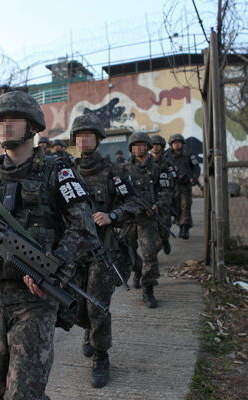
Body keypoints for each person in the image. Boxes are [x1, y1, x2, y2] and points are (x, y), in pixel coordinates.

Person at [0, 90, 98, 399]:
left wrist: (56, 263)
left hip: (34, 300)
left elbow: (83, 229)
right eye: (0, 123)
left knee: (24, 394)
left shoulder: (58, 172)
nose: (6, 128)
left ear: (33, 127)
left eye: (14, 121)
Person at [71, 114, 140, 388]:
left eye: (89, 135)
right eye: (80, 135)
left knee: (98, 304)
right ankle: (87, 330)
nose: (84, 140)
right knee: (76, 304)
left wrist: (112, 214)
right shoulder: (66, 171)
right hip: (73, 250)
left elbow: (134, 202)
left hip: (102, 250)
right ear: (74, 140)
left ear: (98, 139)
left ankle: (101, 355)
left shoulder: (113, 171)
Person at [118, 132, 171, 308]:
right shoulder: (123, 169)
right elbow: (116, 193)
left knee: (150, 254)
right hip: (128, 218)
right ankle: (137, 270)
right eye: (135, 145)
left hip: (147, 219)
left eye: (142, 145)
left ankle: (148, 289)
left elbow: (165, 191)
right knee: (128, 253)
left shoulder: (158, 168)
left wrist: (157, 205)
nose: (138, 148)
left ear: (148, 147)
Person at [166, 134, 200, 239]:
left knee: (186, 206)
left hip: (185, 185)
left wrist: (194, 177)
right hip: (172, 186)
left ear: (182, 144)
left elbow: (196, 167)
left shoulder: (189, 155)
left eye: (178, 143)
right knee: (176, 208)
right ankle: (180, 225)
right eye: (174, 143)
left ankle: (185, 229)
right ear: (171, 145)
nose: (176, 145)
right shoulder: (167, 156)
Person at [149, 135, 175, 254]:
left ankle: (165, 239)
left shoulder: (167, 162)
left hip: (164, 195)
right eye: (153, 145)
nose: (155, 147)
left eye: (157, 145)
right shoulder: (146, 161)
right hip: (149, 195)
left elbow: (172, 179)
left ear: (162, 147)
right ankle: (154, 249)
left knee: (164, 223)